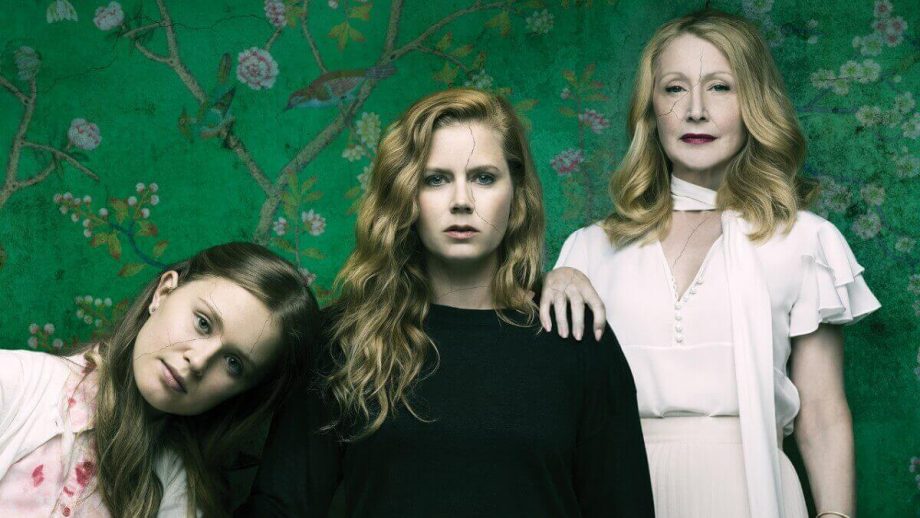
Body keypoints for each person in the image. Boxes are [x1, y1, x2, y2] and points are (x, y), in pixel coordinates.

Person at [237, 89, 654, 517]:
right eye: (435, 179)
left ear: (516, 194)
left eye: (484, 177)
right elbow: (280, 506)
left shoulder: (574, 336)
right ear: (405, 196)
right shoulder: (343, 340)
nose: (461, 201)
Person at [540, 9, 880, 518]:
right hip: (617, 490)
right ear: (652, 110)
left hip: (751, 491)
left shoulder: (805, 241)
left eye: (720, 87)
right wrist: (550, 282)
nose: (696, 110)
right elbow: (554, 412)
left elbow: (823, 415)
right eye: (675, 89)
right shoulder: (589, 250)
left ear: (754, 103)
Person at [0, 242, 320, 517]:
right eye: (203, 323)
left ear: (243, 391)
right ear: (163, 292)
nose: (198, 361)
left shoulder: (184, 495)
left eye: (233, 363)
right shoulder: (16, 381)